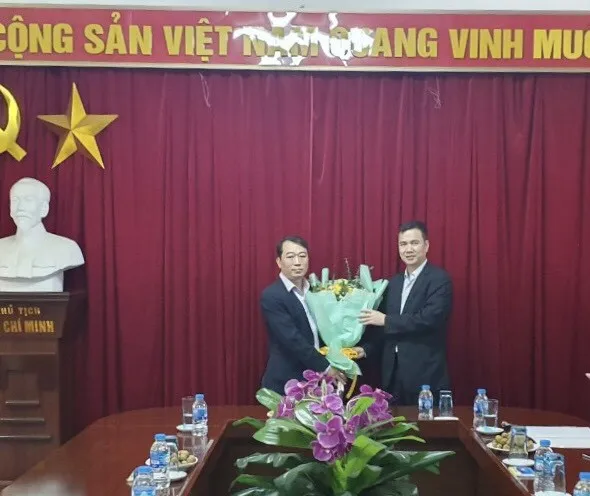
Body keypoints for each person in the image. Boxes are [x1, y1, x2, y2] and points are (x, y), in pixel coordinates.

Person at [359, 221, 452, 406]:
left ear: (426, 246)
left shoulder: (439, 279)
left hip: (424, 375)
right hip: (391, 375)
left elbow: (429, 319)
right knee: (392, 423)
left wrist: (386, 320)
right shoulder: (393, 283)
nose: (408, 249)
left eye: (414, 243)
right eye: (403, 244)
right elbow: (382, 328)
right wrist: (365, 349)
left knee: (424, 425)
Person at [260, 235, 348, 394]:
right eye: (290, 257)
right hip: (288, 381)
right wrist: (326, 367)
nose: (297, 262)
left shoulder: (316, 291)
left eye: (302, 256)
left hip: (319, 381)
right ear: (279, 262)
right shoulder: (272, 295)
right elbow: (293, 340)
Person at [0, 177, 84, 292]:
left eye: (28, 200)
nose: (20, 208)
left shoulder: (67, 248)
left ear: (44, 208)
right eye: (15, 200)